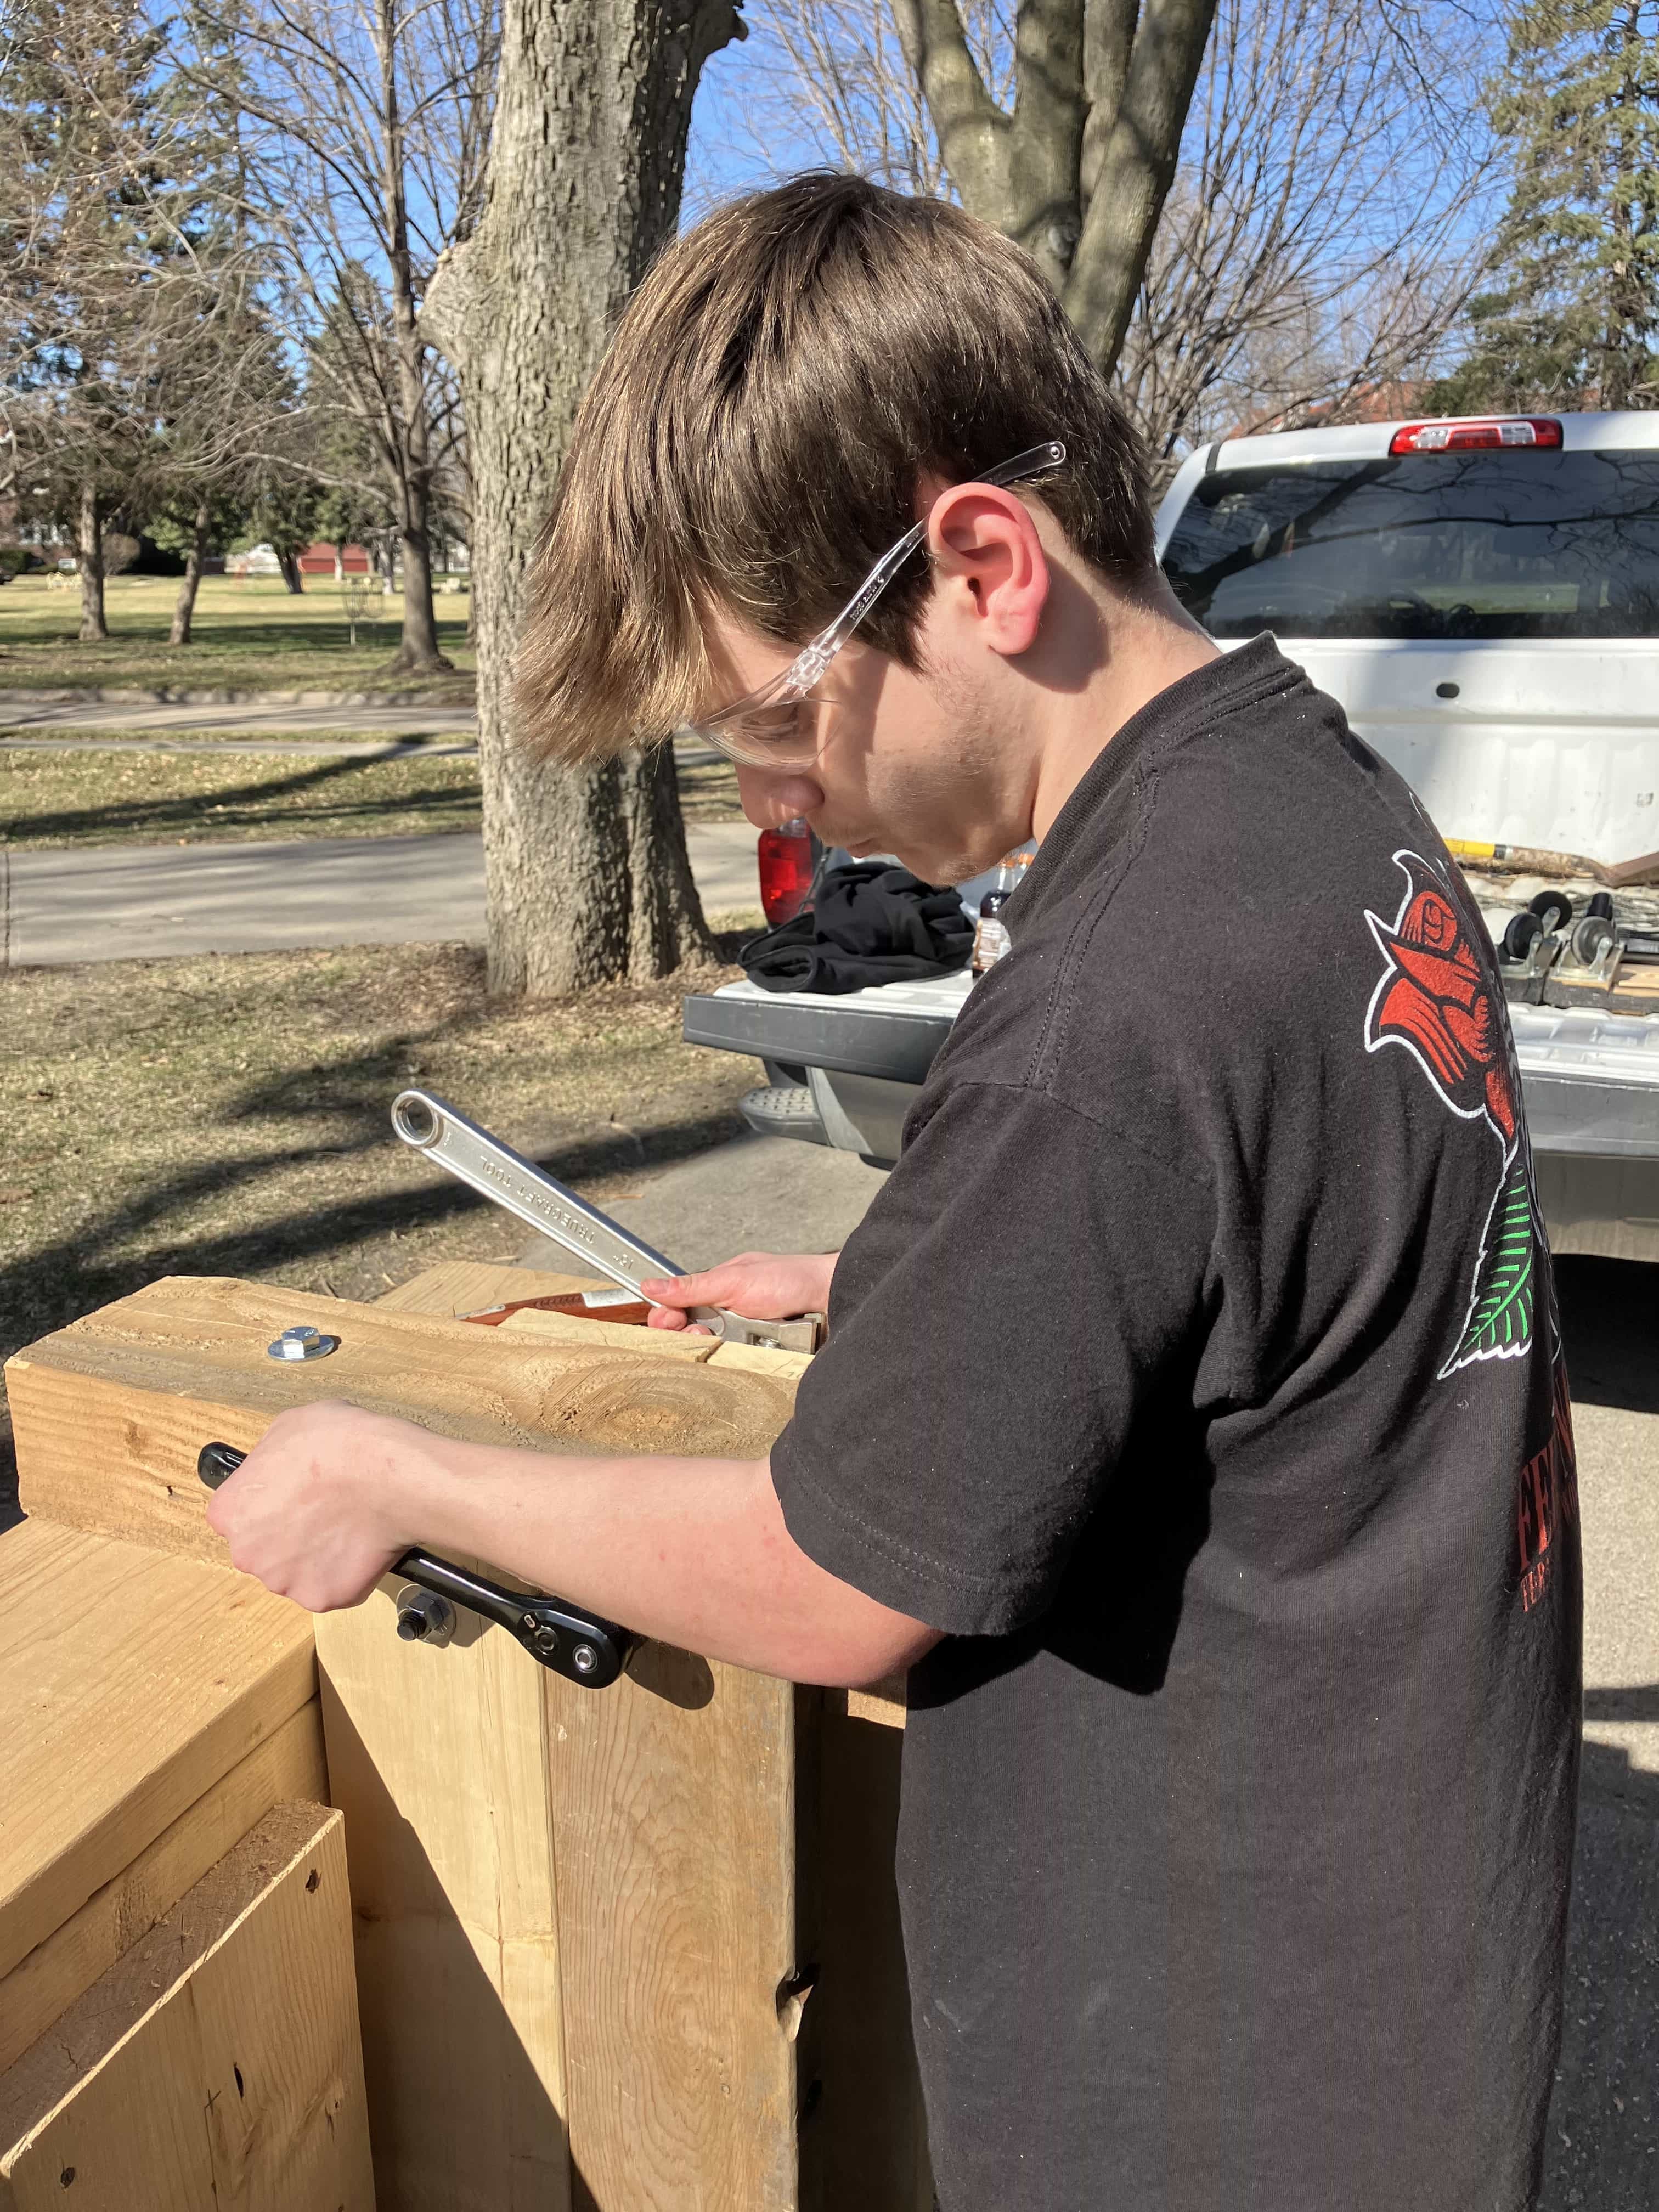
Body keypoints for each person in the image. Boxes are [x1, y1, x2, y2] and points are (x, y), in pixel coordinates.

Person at [206, 174, 1581, 2210]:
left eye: (774, 717)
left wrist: (405, 1479)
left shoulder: (1116, 1003)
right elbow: (1257, 1264)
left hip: (1228, 2096)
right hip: (1405, 1989)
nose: (779, 803)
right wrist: (907, 1297)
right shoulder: (1306, 798)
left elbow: (836, 1582)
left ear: (982, 563)